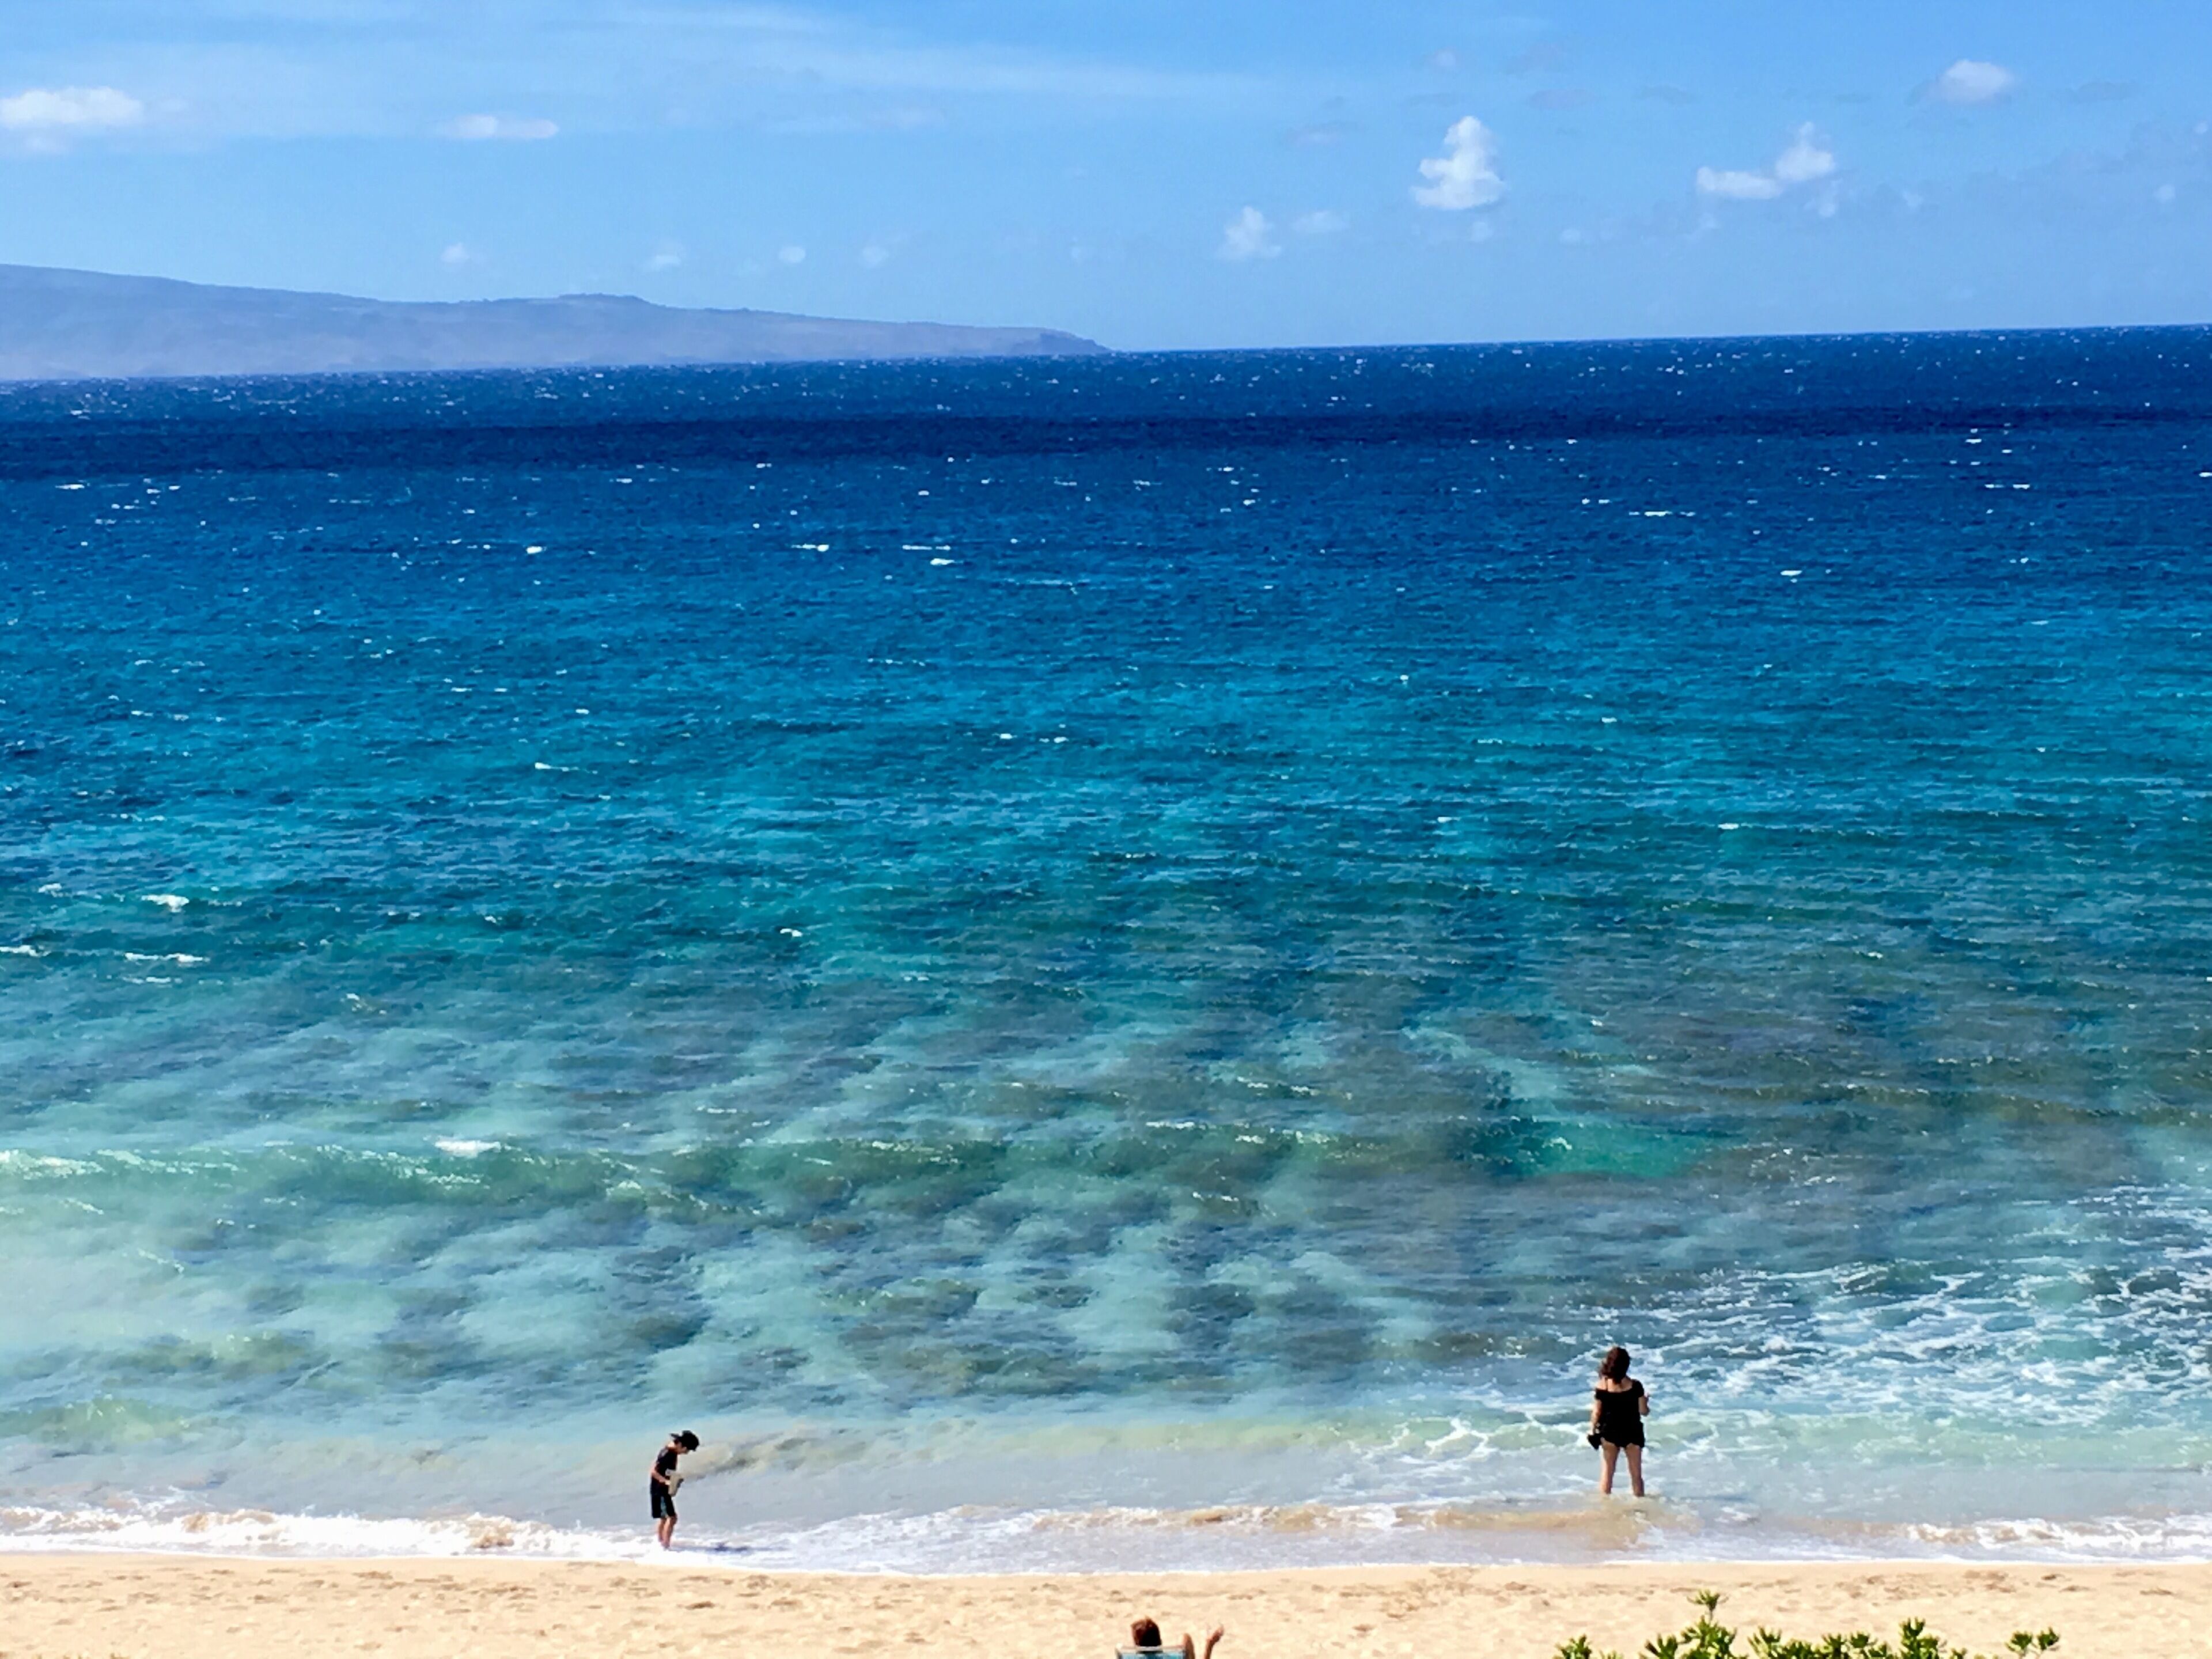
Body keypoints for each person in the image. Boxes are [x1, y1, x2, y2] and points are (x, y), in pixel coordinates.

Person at [1587, 1345, 1650, 1497]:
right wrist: (1646, 1401)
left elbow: (1597, 1413)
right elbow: (1644, 1412)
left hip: (1609, 1432)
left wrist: (1593, 1430)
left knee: (1607, 1475)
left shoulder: (1603, 1385)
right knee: (1636, 1476)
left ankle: (1605, 1510)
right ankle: (1641, 1510)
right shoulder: (1636, 1386)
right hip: (1632, 1432)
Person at [650, 1429, 700, 1548]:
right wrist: (666, 1482)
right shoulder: (668, 1454)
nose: (687, 1453)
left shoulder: (671, 1452)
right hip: (660, 1489)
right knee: (672, 1518)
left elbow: (665, 1471)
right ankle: (665, 1546)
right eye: (687, 1450)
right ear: (680, 1445)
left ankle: (661, 1543)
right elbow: (653, 1471)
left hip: (660, 1488)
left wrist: (674, 1481)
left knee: (664, 1518)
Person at [1121, 1617, 1225, 1659]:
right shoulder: (1174, 1657)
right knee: (1184, 1638)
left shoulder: (1129, 1657)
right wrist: (1209, 1644)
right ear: (1160, 1641)